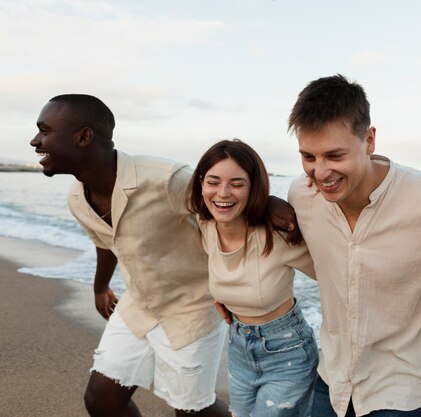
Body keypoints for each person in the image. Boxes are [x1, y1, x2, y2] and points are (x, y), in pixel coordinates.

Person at [29, 95, 292, 417]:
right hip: (138, 304)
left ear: (83, 137)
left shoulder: (164, 178)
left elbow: (219, 198)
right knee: (101, 401)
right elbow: (106, 242)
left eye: (44, 131)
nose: (35, 140)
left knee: (192, 410)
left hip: (192, 308)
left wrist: (270, 202)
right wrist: (100, 287)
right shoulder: (76, 198)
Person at [286, 74, 421, 417]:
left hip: (401, 387)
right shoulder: (301, 195)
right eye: (308, 157)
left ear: (369, 139)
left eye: (334, 155)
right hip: (332, 376)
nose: (320, 172)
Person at [186, 139, 319, 417]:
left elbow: (338, 276)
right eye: (213, 181)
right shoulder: (206, 225)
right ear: (201, 183)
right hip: (238, 347)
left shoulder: (278, 236)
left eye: (237, 183)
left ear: (253, 187)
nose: (223, 192)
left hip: (288, 352)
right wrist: (226, 298)